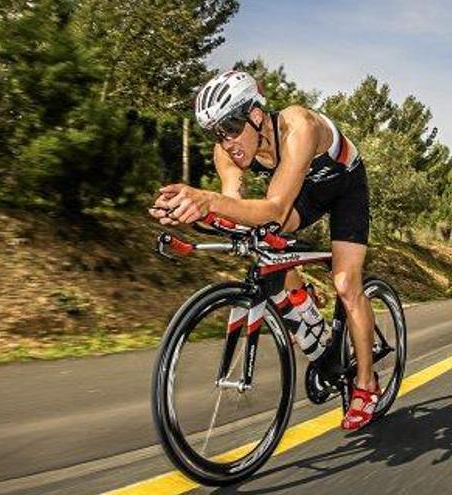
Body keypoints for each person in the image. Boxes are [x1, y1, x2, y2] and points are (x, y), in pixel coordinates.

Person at [148, 70, 378, 431]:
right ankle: (301, 297)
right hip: (301, 192)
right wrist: (192, 213)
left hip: (344, 185)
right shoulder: (227, 151)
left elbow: (273, 209)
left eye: (231, 128)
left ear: (256, 115)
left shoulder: (298, 125)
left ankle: (366, 383)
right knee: (258, 234)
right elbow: (233, 208)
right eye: (217, 134)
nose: (226, 142)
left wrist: (208, 201)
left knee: (347, 285)